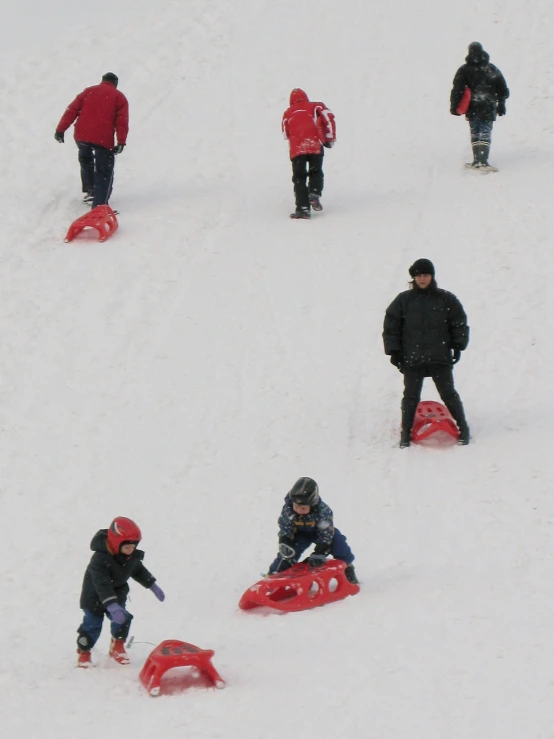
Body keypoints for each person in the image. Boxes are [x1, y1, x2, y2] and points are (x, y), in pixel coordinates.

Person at [383, 259, 470, 448]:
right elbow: (391, 326)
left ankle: (464, 428)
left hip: (440, 358)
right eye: (419, 275)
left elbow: (459, 322)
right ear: (413, 278)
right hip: (412, 359)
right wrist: (394, 351)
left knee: (448, 394)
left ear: (432, 276)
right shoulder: (403, 301)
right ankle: (405, 433)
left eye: (426, 275)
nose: (422, 279)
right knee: (410, 397)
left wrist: (458, 345)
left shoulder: (446, 299)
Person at [76, 516, 165, 668]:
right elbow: (102, 584)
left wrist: (152, 585)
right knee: (93, 624)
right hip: (94, 597)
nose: (131, 550)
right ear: (116, 544)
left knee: (123, 619)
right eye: (127, 547)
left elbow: (138, 570)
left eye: (133, 546)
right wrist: (111, 604)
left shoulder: (130, 556)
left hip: (117, 594)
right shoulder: (99, 559)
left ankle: (117, 646)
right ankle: (84, 652)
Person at [55, 72, 129, 208]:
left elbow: (71, 110)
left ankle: (91, 190)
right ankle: (100, 205)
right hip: (102, 138)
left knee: (86, 160)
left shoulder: (88, 91)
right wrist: (121, 141)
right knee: (104, 170)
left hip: (81, 135)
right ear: (115, 83)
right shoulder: (119, 97)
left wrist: (60, 130)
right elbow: (121, 122)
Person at [267, 477, 358, 584]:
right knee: (288, 553)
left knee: (338, 543)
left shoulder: (323, 511)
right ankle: (274, 575)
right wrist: (285, 540)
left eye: (303, 508)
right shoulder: (288, 509)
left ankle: (347, 567)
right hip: (299, 534)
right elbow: (285, 526)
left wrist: (320, 551)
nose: (299, 510)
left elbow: (326, 533)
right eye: (296, 506)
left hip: (319, 533)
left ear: (312, 505)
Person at [450, 42, 509, 169]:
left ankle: (477, 161)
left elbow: (457, 89)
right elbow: (502, 89)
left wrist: (454, 106)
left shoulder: (464, 69)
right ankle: (483, 161)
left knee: (476, 132)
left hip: (473, 107)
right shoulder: (492, 69)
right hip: (488, 106)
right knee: (485, 132)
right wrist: (501, 104)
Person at [282, 88, 336, 219]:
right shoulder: (315, 106)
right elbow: (328, 117)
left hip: (297, 149)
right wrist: (330, 138)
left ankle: (303, 208)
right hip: (314, 145)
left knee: (299, 178)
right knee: (315, 171)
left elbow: (285, 133)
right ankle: (314, 193)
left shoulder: (287, 113)